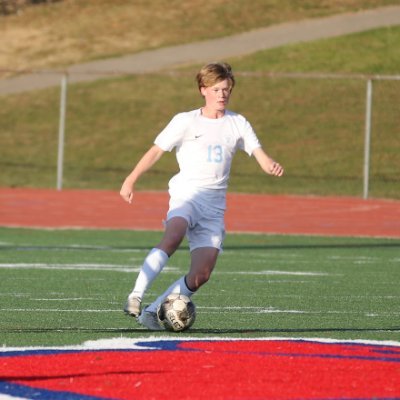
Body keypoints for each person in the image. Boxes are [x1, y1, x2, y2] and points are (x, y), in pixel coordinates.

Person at [120, 62, 284, 330]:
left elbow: (259, 153)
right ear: (203, 90)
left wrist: (269, 164)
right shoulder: (185, 121)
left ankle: (152, 311)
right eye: (218, 89)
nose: (223, 94)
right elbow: (155, 152)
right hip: (187, 194)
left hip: (213, 207)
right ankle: (136, 296)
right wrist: (131, 178)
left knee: (201, 275)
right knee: (173, 236)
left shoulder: (237, 123)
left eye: (227, 89)